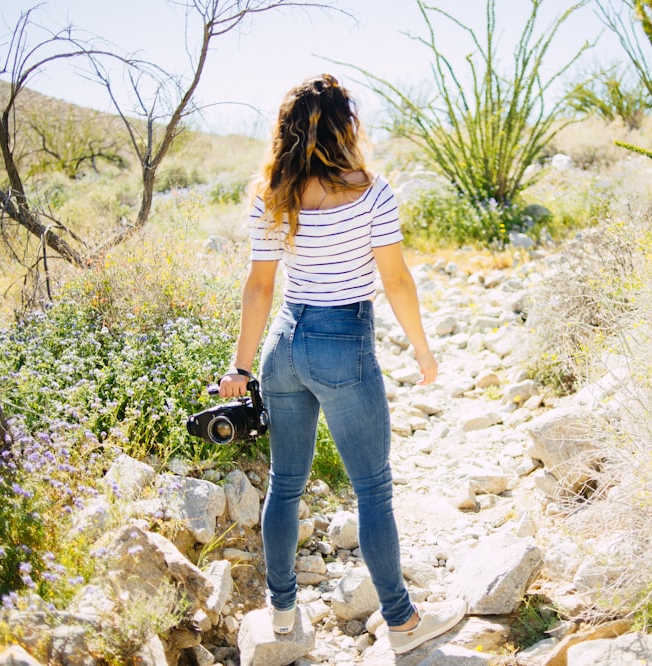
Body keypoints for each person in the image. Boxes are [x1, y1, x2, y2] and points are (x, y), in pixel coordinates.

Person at [218, 73, 466, 655]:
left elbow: (259, 287)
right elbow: (397, 279)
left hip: (285, 342)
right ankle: (403, 624)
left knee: (285, 485)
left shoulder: (270, 194)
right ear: (344, 126)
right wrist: (423, 348)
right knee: (373, 490)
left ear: (287, 132)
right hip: (342, 340)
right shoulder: (372, 192)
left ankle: (281, 615)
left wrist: (240, 366)